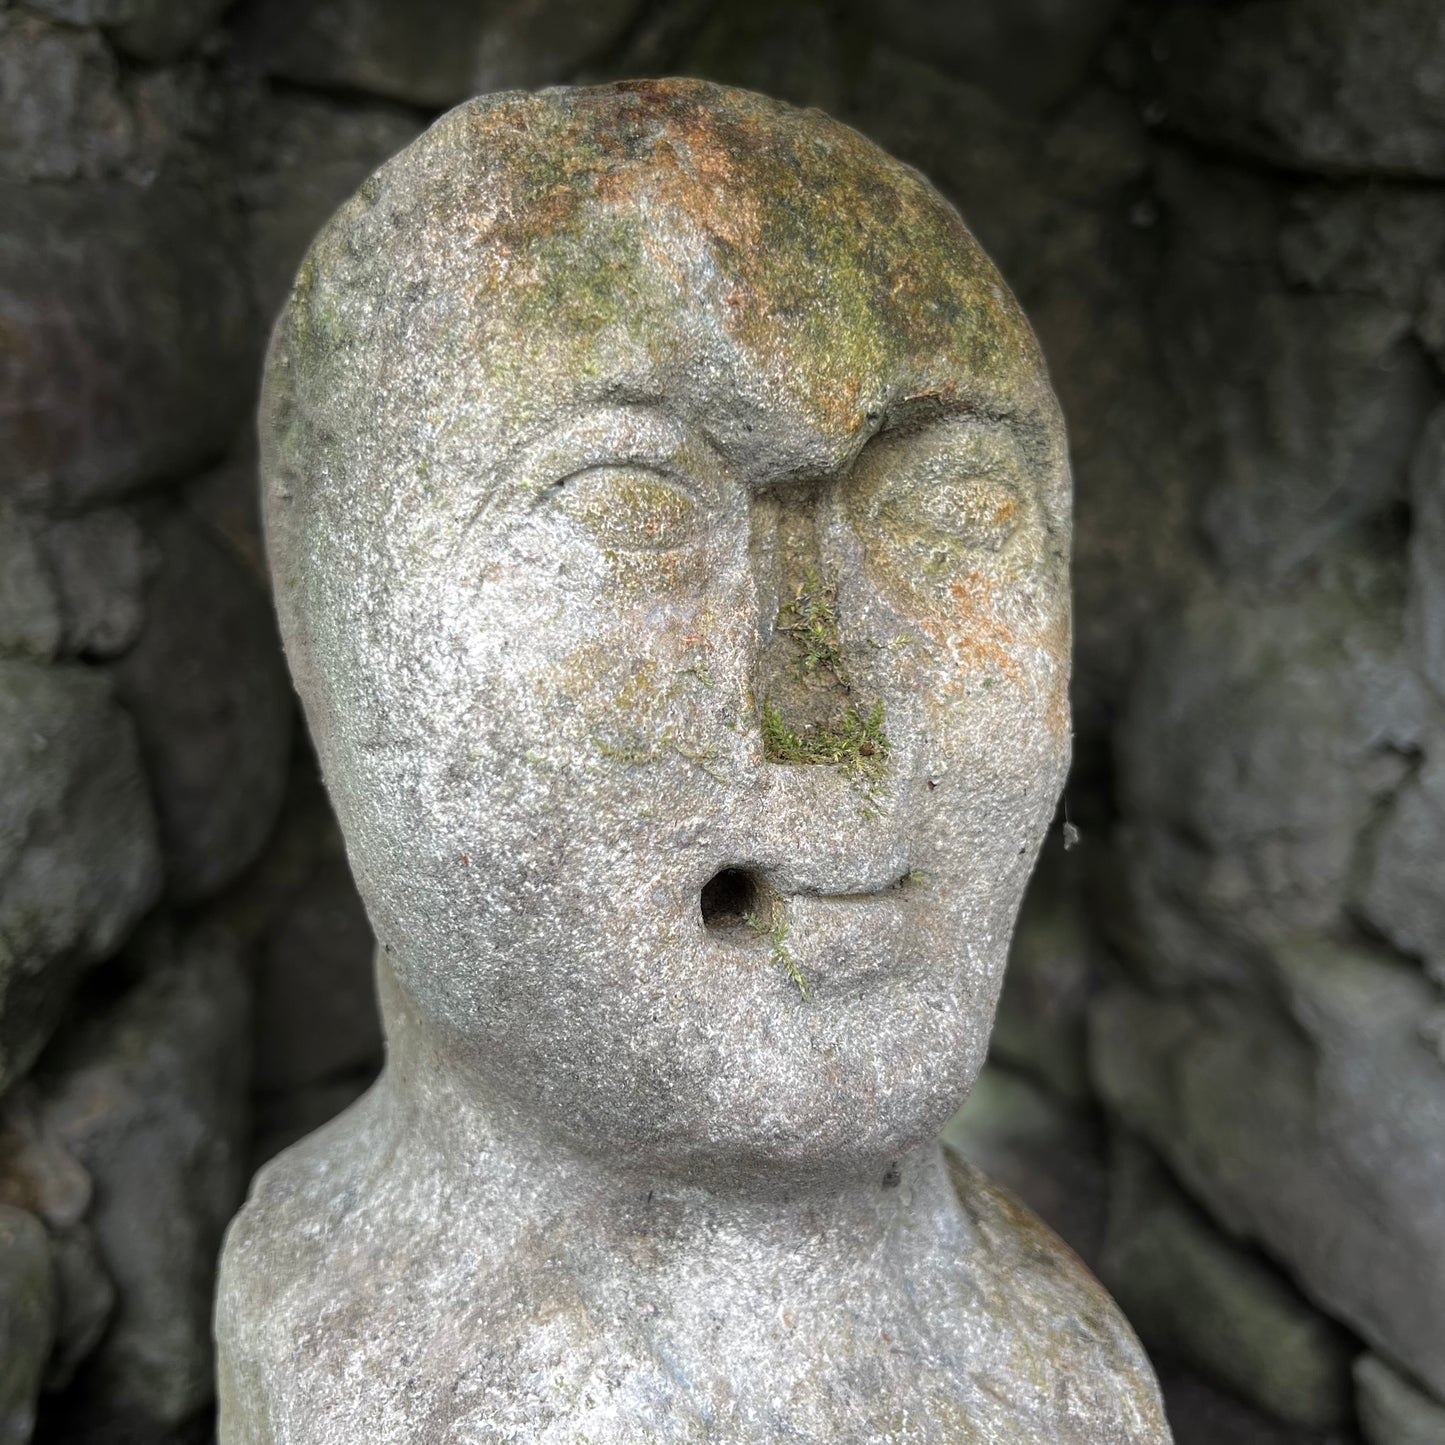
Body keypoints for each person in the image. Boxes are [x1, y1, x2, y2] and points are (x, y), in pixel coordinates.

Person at [218, 78, 1170, 1444]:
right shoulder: (343, 1360)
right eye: (631, 511)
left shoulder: (1077, 1389)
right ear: (325, 627)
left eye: (952, 506)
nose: (824, 711)